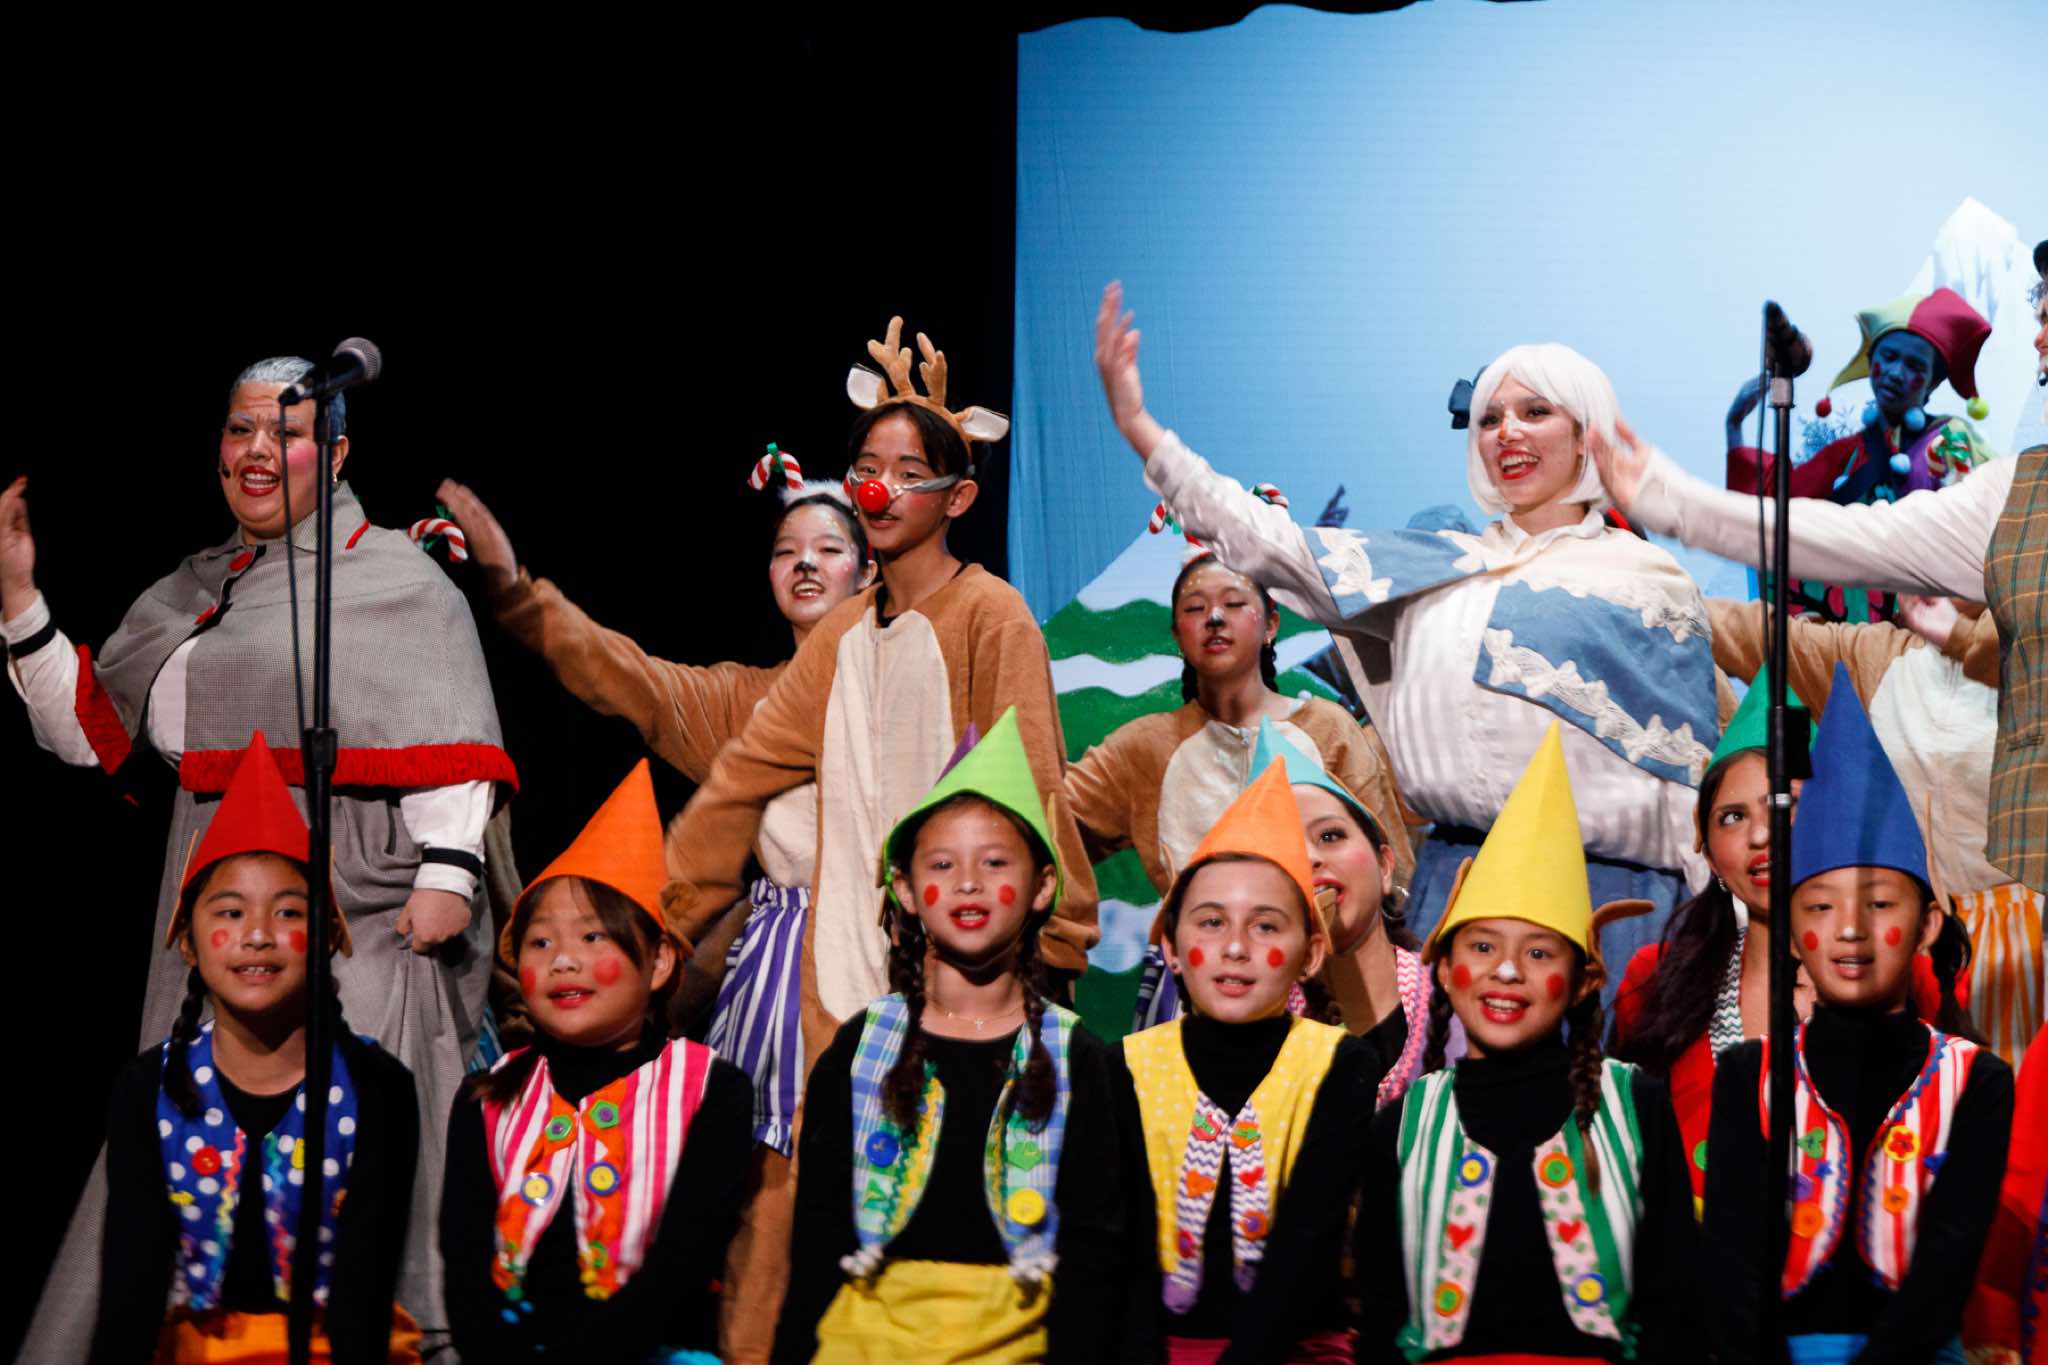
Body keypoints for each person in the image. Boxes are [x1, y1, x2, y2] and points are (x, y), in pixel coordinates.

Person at [3, 357, 511, 1360]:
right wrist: (21, 601)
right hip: (218, 892)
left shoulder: (394, 576)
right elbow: (94, 731)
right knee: (196, 1121)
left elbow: (445, 723)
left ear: (338, 451)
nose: (257, 451)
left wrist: (448, 872)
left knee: (353, 1123)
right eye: (241, 431)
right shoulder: (195, 585)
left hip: (360, 901)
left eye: (286, 432)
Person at [1093, 283, 1721, 991]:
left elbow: (1693, 784)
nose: (1507, 432)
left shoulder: (1647, 581)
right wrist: (1140, 427)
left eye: (1535, 412)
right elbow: (1266, 540)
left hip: (1614, 907)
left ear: (1588, 434)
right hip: (1454, 892)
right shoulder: (1431, 568)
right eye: (1490, 419)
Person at [437, 458, 874, 1361]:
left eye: (830, 548)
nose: (803, 562)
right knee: (764, 1217)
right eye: (785, 548)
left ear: (871, 572)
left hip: (884, 965)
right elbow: (629, 676)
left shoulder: (914, 689)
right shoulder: (746, 701)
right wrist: (518, 593)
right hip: (781, 982)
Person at [663, 316, 1098, 1068]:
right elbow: (747, 772)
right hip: (847, 963)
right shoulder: (842, 632)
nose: (879, 489)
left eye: (907, 473)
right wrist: (664, 915)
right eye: (867, 467)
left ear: (958, 498)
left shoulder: (991, 614)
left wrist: (1051, 947)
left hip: (970, 967)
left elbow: (1035, 786)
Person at [1591, 242, 2048, 899]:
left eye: (1915, 364)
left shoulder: (1957, 452)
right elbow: (1822, 536)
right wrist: (1668, 510)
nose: (2039, 337)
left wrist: (1966, 636)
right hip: (1942, 926)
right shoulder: (2001, 497)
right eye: (1888, 357)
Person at [774, 709, 1125, 1363]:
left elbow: (1095, 1254)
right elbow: (818, 1233)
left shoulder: (1080, 1058)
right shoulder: (860, 1048)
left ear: (1042, 886)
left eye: (995, 862)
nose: (968, 881)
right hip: (862, 1344)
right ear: (906, 889)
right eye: (942, 863)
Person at [1352, 723, 1699, 1363]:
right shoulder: (1400, 1127)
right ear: (1443, 966)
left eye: (1539, 953)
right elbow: (1380, 1317)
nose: (1507, 971)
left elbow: (1675, 1305)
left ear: (1583, 980)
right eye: (1483, 946)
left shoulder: (1638, 1107)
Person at [1702, 665, 2012, 1365]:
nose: (1849, 929)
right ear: (1790, 934)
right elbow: (1731, 1263)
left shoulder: (1978, 1081)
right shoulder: (1750, 1075)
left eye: (1878, 904)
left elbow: (1946, 1268)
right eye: (1820, 906)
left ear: (1927, 924)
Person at [93, 732, 421, 1364]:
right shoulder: (149, 1088)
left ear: (327, 937)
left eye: (289, 913)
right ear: (188, 941)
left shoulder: (377, 1087)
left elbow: (365, 1286)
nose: (259, 937)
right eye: (230, 913)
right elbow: (131, 1289)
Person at [440, 760, 752, 1362]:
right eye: (540, 942)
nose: (562, 960)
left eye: (592, 937)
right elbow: (464, 1265)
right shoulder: (488, 1095)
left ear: (658, 962)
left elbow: (684, 1260)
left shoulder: (711, 1089)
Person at [1064, 544, 1413, 1032]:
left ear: (1271, 624)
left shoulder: (1328, 728)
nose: (1213, 618)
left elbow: (1390, 866)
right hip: (1199, 994)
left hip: (1329, 991)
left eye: (1233, 603)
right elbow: (1044, 819)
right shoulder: (1144, 747)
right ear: (1176, 634)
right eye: (1195, 608)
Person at [1112, 760, 1384, 1363]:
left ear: (1310, 953)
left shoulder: (1341, 1065)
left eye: (1265, 926)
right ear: (1171, 946)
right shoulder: (1123, 1067)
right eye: (1211, 923)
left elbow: (1307, 1241)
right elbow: (1120, 1250)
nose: (1235, 947)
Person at [1706, 597, 2039, 1069]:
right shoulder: (1876, 657)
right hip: (1917, 932)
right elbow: (1755, 635)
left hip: (2034, 930)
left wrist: (1967, 637)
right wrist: (1653, 589)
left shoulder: (2032, 649)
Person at [1611, 674, 1819, 1214]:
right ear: (1708, 852)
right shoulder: (1658, 977)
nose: (1761, 835)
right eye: (1733, 817)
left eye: (1783, 805)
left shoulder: (1887, 975)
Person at [1723, 288, 1996, 624]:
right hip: (1861, 637)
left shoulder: (1952, 441)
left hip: (1936, 629)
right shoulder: (1847, 454)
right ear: (1871, 363)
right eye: (1889, 357)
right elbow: (1773, 510)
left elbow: (1990, 527)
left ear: (1933, 383)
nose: (1895, 372)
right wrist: (1734, 426)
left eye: (1913, 365)